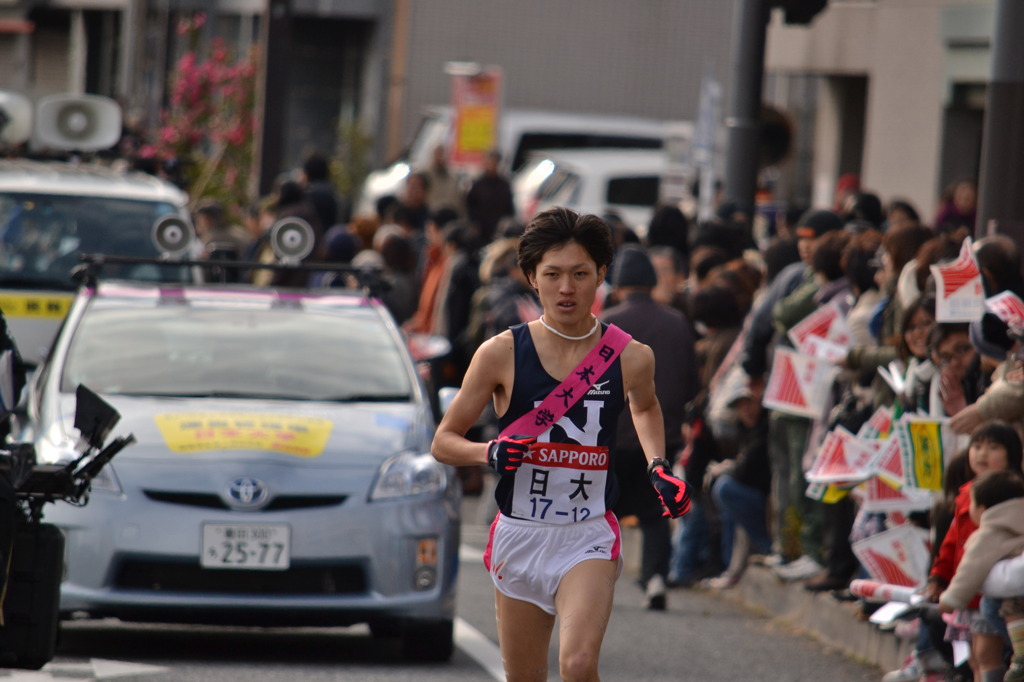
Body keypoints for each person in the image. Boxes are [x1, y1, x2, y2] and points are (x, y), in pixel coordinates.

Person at [431, 207, 690, 681]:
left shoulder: (631, 355)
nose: (566, 288)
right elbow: (444, 441)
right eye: (552, 275)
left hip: (587, 533)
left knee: (576, 664)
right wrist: (486, 452)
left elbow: (646, 407)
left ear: (601, 276)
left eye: (579, 274)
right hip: (521, 533)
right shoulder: (501, 352)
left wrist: (658, 465)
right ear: (532, 277)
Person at [601, 245, 698, 610]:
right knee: (656, 511)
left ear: (619, 284)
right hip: (661, 435)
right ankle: (656, 577)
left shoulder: (605, 324)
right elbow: (691, 381)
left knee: (601, 510)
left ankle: (594, 582)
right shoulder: (676, 322)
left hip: (610, 438)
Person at [924, 420, 1023, 682]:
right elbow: (951, 544)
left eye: (993, 447)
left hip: (989, 592)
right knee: (975, 657)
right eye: (976, 446)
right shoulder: (967, 494)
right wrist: (937, 577)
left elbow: (976, 558)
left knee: (985, 654)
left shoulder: (1014, 495)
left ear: (1011, 454)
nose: (982, 453)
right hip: (971, 593)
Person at [465, 149, 515, 246]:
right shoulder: (477, 184)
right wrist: (473, 224)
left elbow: (509, 208)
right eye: (490, 161)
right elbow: (470, 205)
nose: (493, 165)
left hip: (499, 229)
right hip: (481, 231)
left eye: (495, 162)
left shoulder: (504, 185)